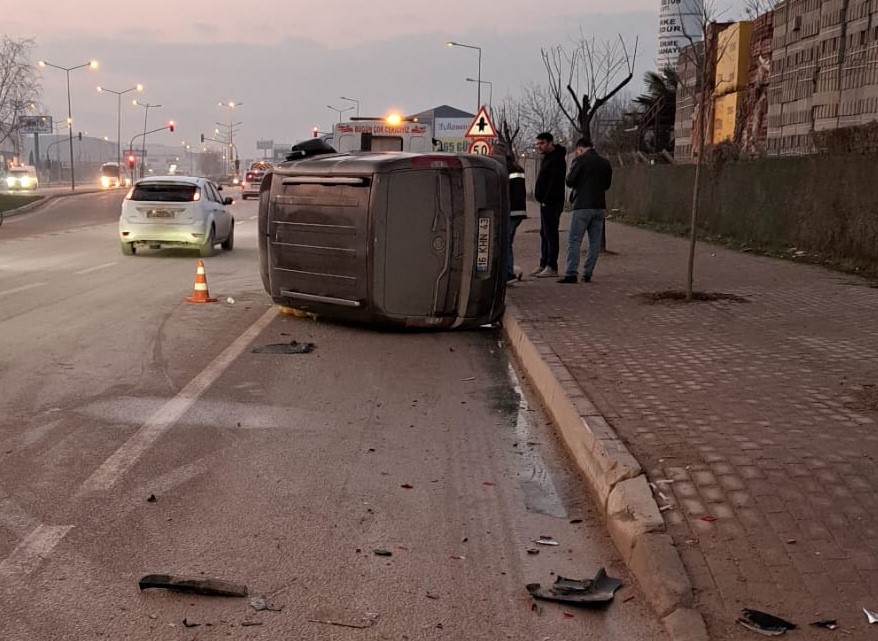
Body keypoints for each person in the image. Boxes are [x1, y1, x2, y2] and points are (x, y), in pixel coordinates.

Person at [558, 137, 613, 284]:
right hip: (599, 206)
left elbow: (569, 181)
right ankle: (587, 273)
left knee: (574, 240)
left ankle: (571, 273)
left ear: (580, 149)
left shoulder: (580, 161)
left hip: (582, 205)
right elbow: (607, 185)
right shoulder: (605, 163)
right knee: (594, 242)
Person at [532, 132, 567, 278]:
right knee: (544, 233)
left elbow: (554, 182)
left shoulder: (557, 159)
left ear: (550, 143)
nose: (539, 147)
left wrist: (546, 199)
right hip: (545, 202)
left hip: (552, 202)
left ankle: (552, 266)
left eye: (542, 143)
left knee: (550, 233)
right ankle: (544, 262)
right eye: (537, 144)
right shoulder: (546, 158)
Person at [506, 154, 527, 282]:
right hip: (519, 211)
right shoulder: (518, 169)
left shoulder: (505, 170)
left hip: (511, 211)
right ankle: (509, 270)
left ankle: (509, 272)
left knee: (506, 243)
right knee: (509, 242)